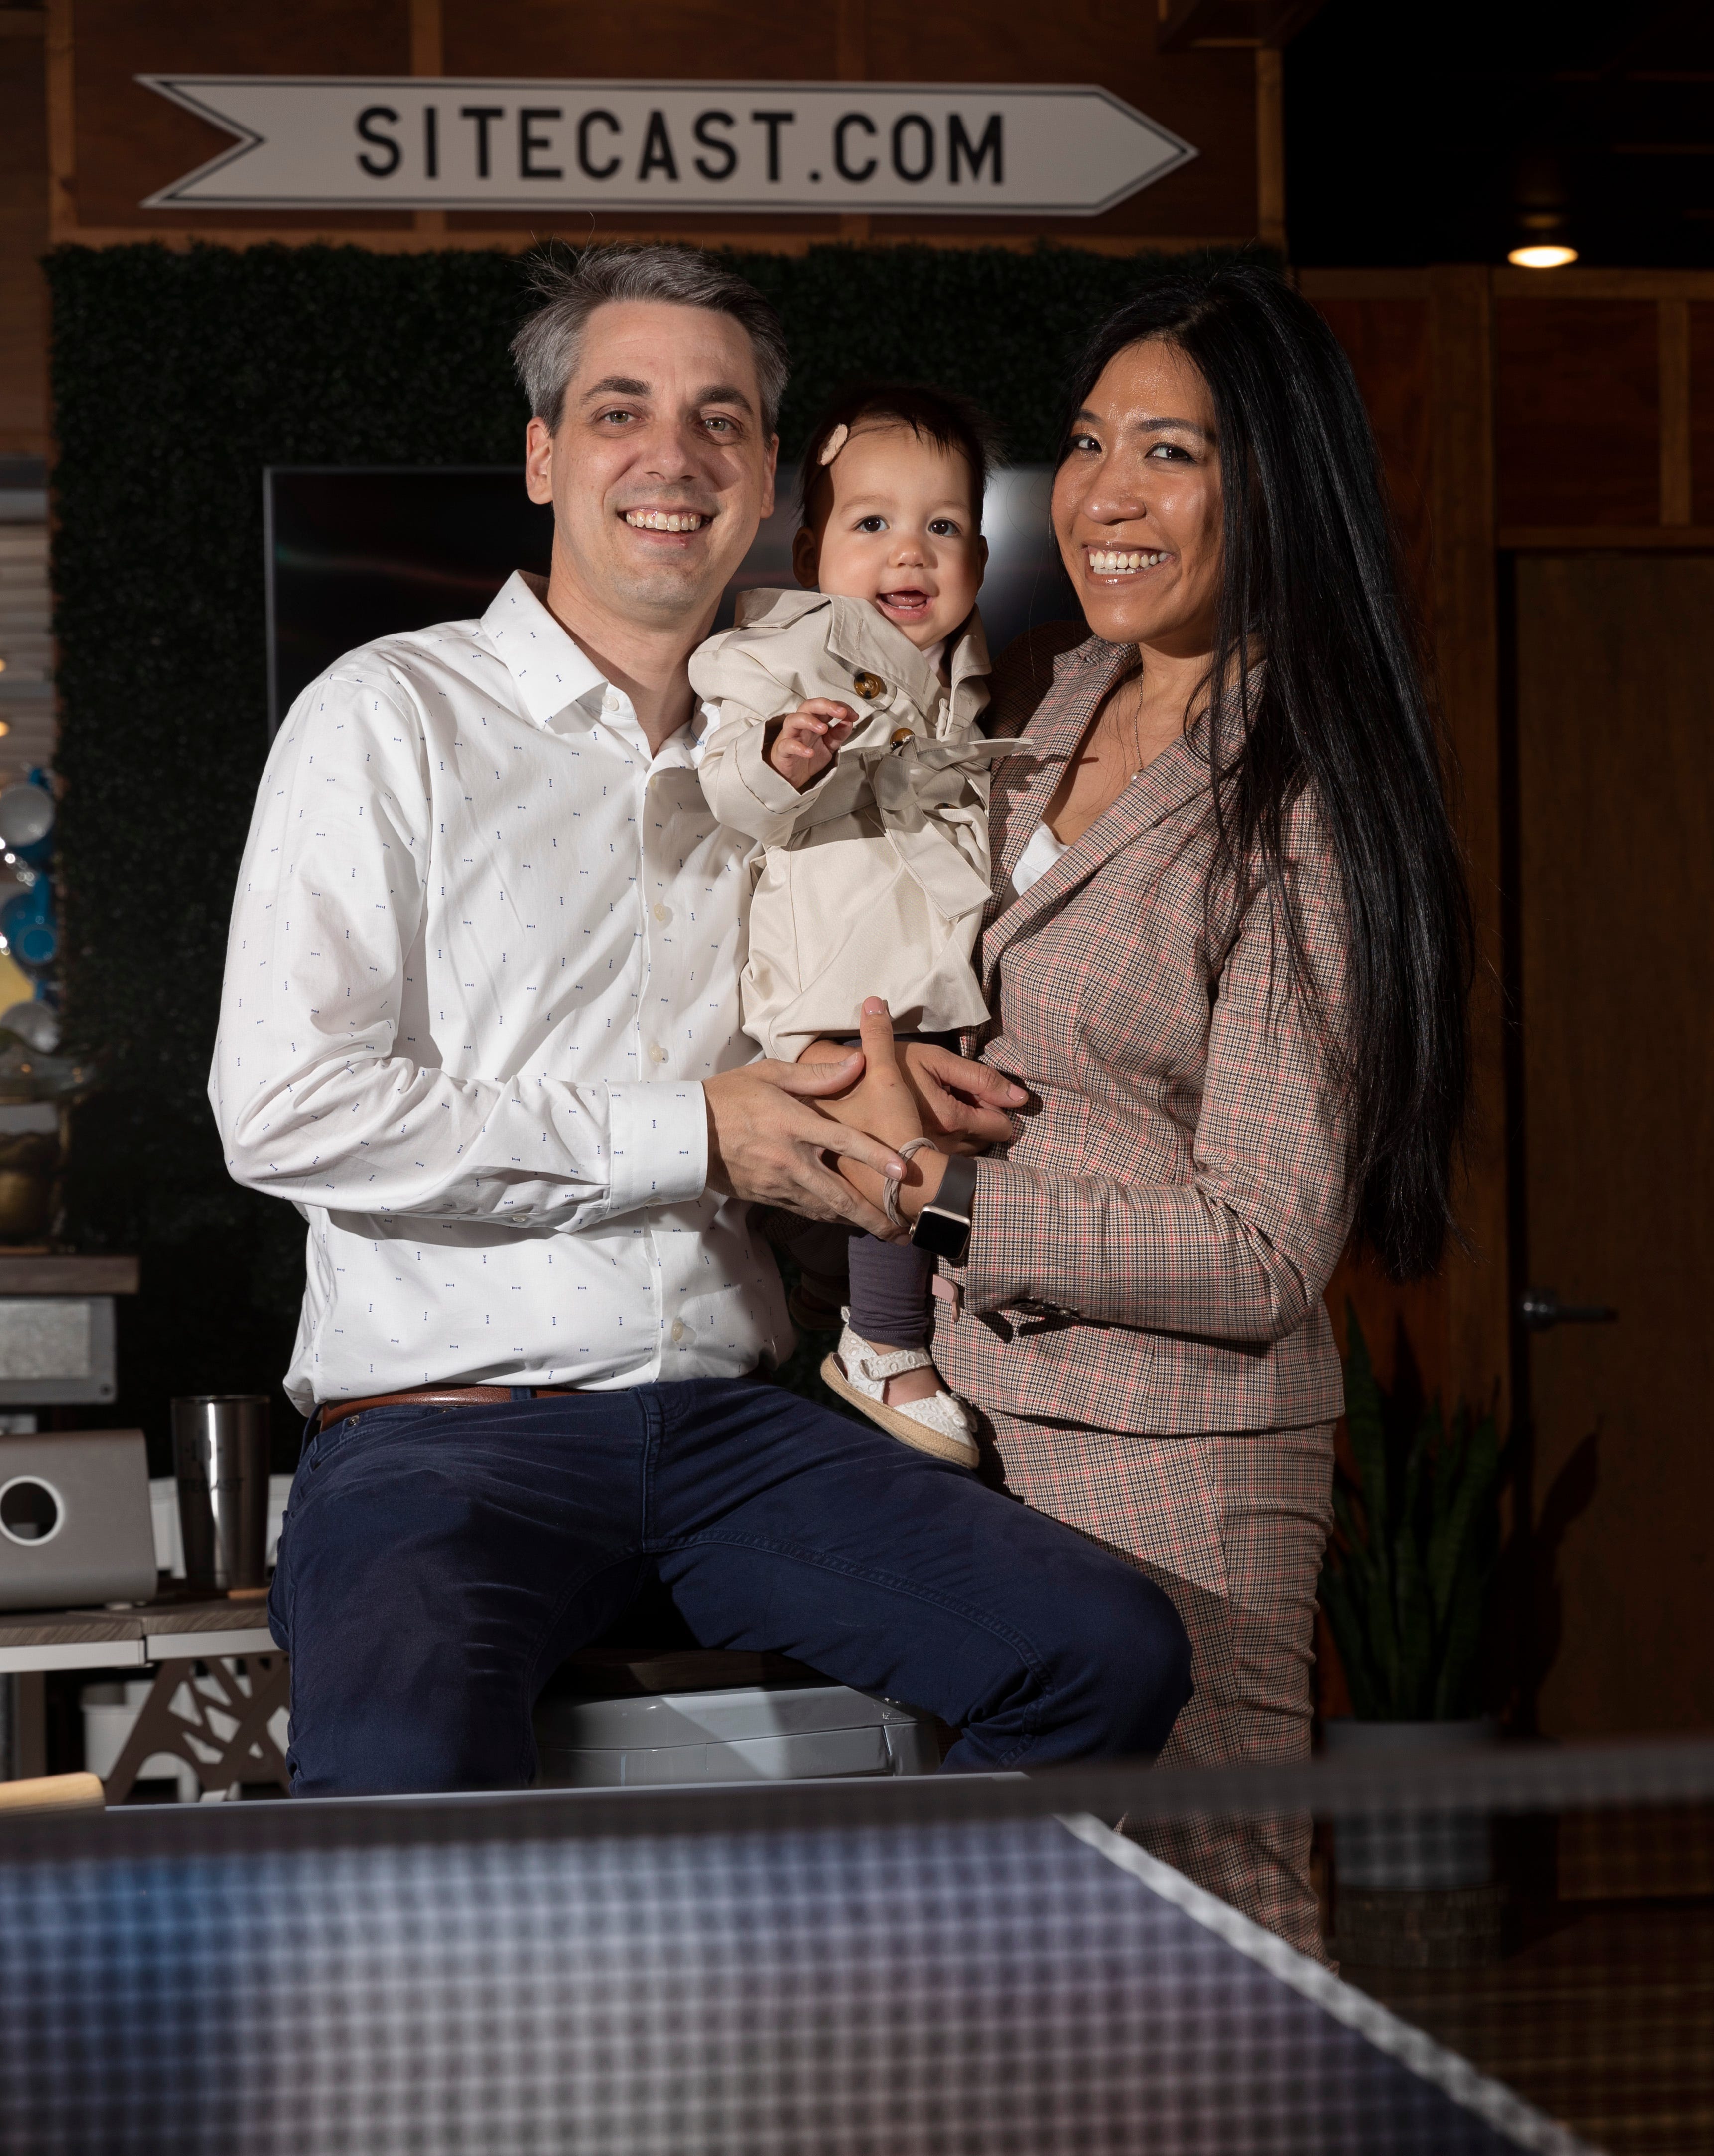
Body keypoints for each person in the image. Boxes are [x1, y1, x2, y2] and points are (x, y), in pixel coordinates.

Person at [208, 242, 1191, 1795]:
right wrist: (701, 1132)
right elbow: (283, 1106)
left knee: (1105, 1654)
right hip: (445, 1443)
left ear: (766, 482)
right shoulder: (385, 715)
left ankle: (869, 2017)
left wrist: (831, 1079)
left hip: (735, 1434)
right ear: (543, 456)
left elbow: (768, 1031)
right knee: (401, 1788)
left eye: (720, 420)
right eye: (619, 412)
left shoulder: (821, 750)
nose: (673, 456)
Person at [811, 269, 1473, 1959]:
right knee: (1027, 1975)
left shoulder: (1304, 797)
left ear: (1274, 483)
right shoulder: (1049, 701)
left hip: (1173, 1481)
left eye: (1166, 452)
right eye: (1091, 441)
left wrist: (930, 1195)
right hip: (972, 1435)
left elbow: (1257, 1254)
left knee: (1208, 1957)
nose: (1103, 493)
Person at [691, 383, 1019, 1471]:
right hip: (836, 973)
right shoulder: (780, 650)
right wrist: (789, 753)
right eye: (871, 523)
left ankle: (846, 1302)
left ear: (980, 554)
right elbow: (732, 784)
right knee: (894, 1143)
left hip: (918, 970)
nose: (909, 553)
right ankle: (887, 1345)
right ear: (811, 547)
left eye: (943, 526)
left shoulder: (970, 676)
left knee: (916, 1150)